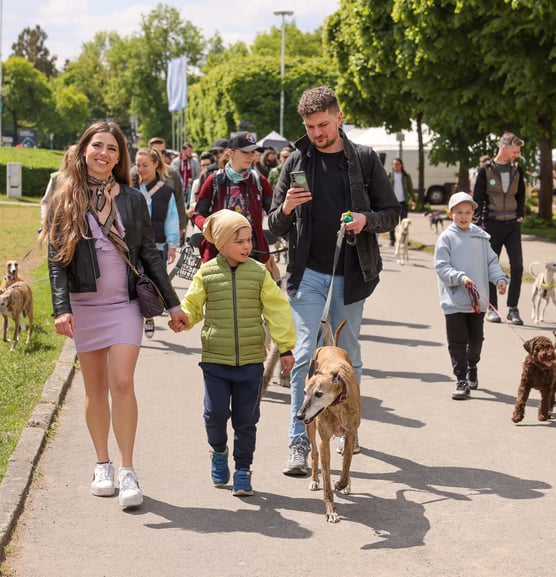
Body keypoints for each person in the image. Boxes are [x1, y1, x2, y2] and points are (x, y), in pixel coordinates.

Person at [41, 120, 183, 509]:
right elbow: (56, 261)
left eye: (113, 149)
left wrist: (172, 303)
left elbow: (149, 255)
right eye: (97, 146)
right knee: (94, 389)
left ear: (120, 157)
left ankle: (127, 469)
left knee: (122, 382)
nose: (104, 154)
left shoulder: (134, 199)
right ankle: (101, 463)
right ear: (84, 149)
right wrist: (61, 309)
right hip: (84, 306)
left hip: (124, 305)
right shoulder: (65, 196)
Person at [268, 85, 400, 475]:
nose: (316, 133)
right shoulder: (294, 163)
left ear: (339, 118)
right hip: (307, 274)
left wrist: (365, 221)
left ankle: (346, 429)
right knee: (306, 355)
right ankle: (298, 439)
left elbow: (392, 212)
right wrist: (288, 208)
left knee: (347, 359)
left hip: (352, 274)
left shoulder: (364, 160)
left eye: (323, 124)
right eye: (310, 127)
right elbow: (273, 224)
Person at [171, 209, 296, 496]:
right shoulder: (207, 273)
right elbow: (193, 304)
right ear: (222, 243)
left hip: (252, 361)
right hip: (216, 360)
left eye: (249, 240)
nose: (247, 246)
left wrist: (286, 348)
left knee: (246, 421)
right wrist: (185, 318)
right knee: (214, 416)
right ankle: (218, 451)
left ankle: (242, 470)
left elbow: (277, 310)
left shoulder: (259, 273)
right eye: (239, 241)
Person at [434, 192, 508, 400]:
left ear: (473, 213)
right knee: (457, 341)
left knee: (476, 340)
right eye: (459, 213)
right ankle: (461, 379)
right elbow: (441, 267)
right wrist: (460, 277)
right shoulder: (446, 238)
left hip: (478, 302)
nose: (463, 216)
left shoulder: (481, 237)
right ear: (451, 214)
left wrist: (500, 279)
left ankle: (472, 365)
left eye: (467, 212)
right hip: (455, 301)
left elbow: (491, 263)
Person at [192, 132, 274, 264]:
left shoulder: (259, 181)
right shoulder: (214, 180)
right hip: (218, 253)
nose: (250, 156)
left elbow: (274, 212)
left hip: (252, 253)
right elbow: (198, 214)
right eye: (245, 152)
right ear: (230, 152)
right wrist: (212, 228)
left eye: (253, 152)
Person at [472, 132, 526, 325]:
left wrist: (520, 215)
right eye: (515, 151)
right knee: (490, 266)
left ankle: (513, 308)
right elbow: (477, 198)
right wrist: (478, 222)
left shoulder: (517, 170)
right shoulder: (485, 170)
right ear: (504, 148)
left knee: (518, 266)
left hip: (512, 224)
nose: (517, 155)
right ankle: (492, 308)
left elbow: (521, 195)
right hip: (492, 224)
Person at [135, 147, 181, 339]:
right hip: (133, 247)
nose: (141, 169)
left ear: (155, 164)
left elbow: (172, 218)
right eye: (137, 165)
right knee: (135, 284)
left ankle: (149, 315)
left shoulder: (166, 191)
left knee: (152, 284)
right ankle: (141, 318)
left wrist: (172, 244)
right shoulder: (129, 189)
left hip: (158, 246)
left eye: (145, 165)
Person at [141, 137, 187, 244]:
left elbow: (179, 199)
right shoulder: (136, 172)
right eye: (155, 152)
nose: (160, 155)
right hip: (142, 230)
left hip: (166, 230)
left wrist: (181, 226)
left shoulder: (172, 173)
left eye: (163, 151)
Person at [40, 145, 77, 226]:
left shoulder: (86, 179)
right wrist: (45, 219)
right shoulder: (56, 177)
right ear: (67, 158)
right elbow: (45, 201)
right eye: (71, 157)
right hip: (55, 224)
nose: (74, 161)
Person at [388, 158, 413, 246]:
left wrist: (413, 200)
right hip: (392, 202)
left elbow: (410, 189)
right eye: (394, 164)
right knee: (393, 221)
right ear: (392, 166)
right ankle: (392, 239)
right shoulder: (390, 175)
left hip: (403, 202)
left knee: (404, 222)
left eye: (398, 164)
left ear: (401, 165)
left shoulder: (406, 176)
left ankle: (403, 240)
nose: (396, 166)